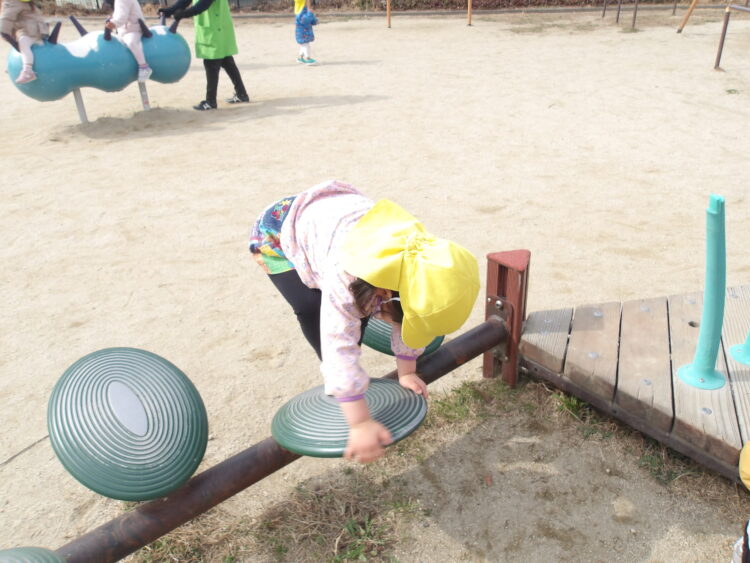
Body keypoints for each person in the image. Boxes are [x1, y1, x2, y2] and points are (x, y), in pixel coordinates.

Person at [248, 180, 480, 463]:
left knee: (361, 310)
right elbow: (339, 342)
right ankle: (338, 380)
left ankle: (359, 329)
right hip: (278, 230)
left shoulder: (422, 264)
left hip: (334, 216)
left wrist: (406, 372)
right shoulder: (345, 277)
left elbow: (405, 317)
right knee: (315, 308)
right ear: (386, 293)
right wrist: (359, 422)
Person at [159, 0, 248, 110]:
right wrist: (170, 10)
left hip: (215, 29)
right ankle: (241, 94)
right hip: (217, 27)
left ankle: (210, 101)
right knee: (227, 62)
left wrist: (184, 14)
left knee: (211, 64)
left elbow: (203, 5)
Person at [0, 0, 49, 84]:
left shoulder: (12, 3)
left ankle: (28, 71)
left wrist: (3, 31)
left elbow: (6, 19)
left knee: (23, 44)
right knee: (17, 40)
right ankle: (15, 64)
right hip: (34, 28)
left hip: (32, 30)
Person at [105, 0, 152, 83]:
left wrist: (113, 23)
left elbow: (121, 17)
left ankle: (144, 66)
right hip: (125, 30)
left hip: (134, 29)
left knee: (131, 42)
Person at [294, 0, 317, 65]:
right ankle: (308, 58)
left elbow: (311, 19)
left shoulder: (306, 11)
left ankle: (300, 57)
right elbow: (306, 20)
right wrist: (310, 13)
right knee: (306, 45)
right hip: (302, 33)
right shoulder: (301, 13)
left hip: (305, 32)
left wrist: (314, 20)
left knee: (303, 45)